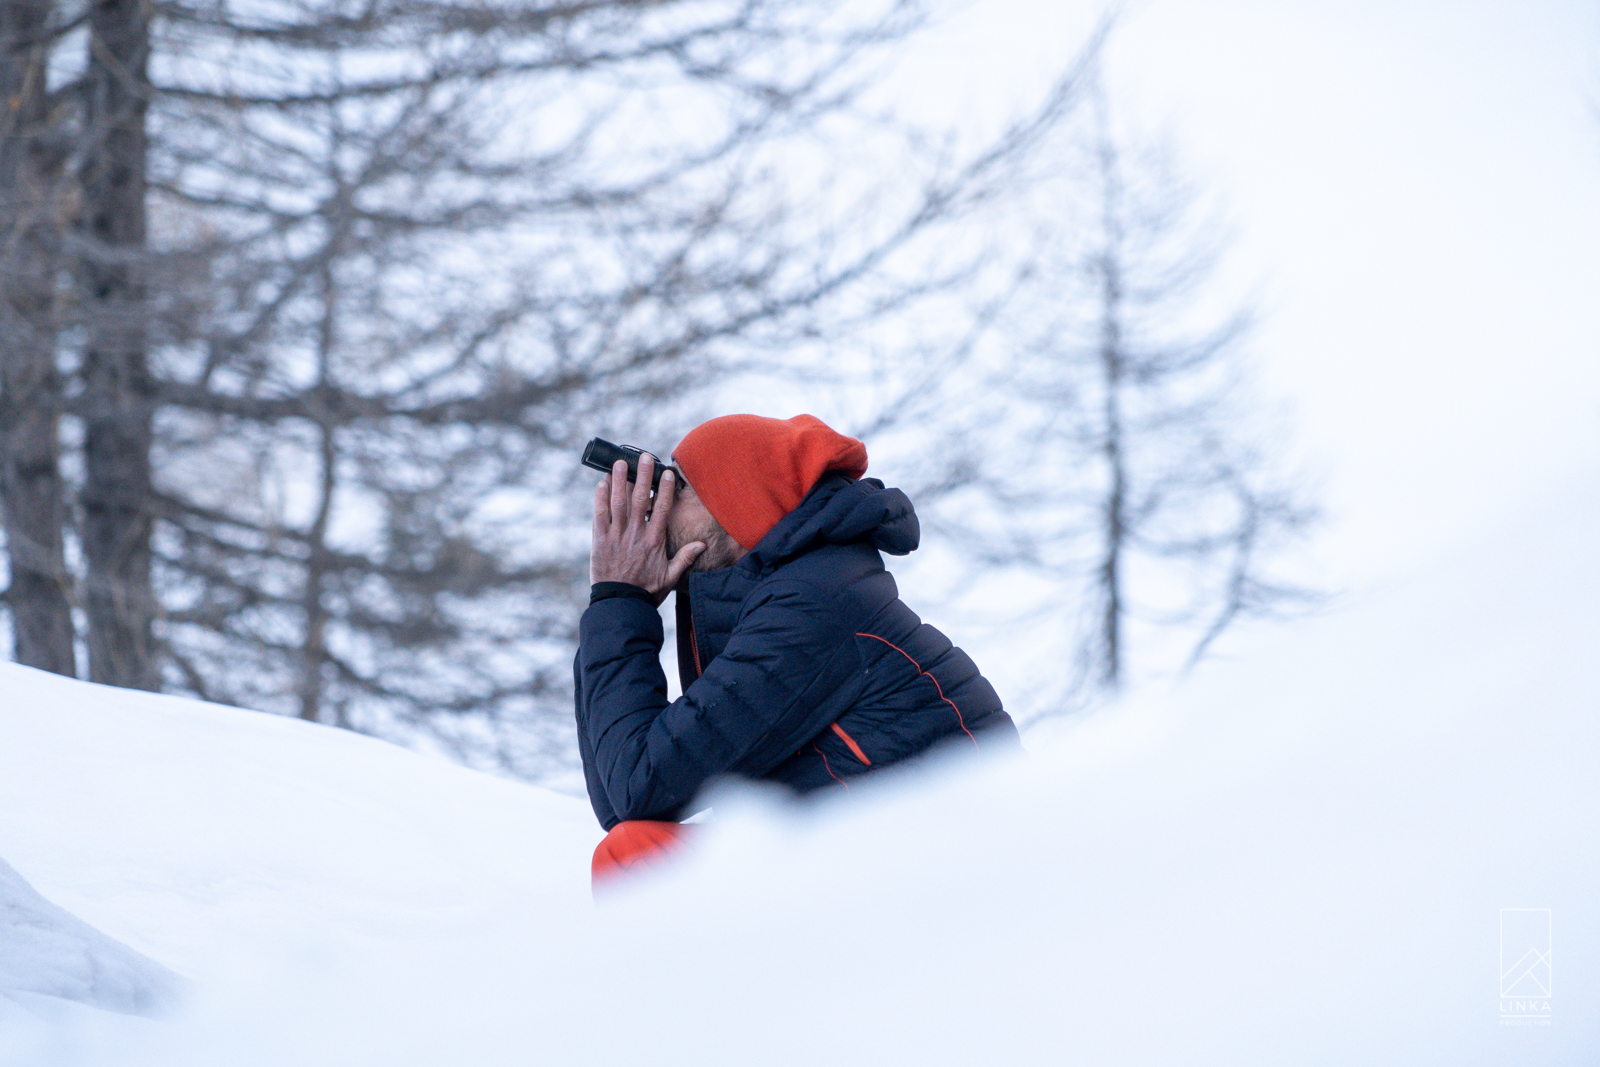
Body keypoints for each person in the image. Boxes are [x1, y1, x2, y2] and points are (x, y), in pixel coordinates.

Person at [576, 414, 1018, 884]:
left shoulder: (815, 605)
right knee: (637, 849)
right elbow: (621, 795)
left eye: (680, 486)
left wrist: (619, 598)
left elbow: (638, 785)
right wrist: (618, 602)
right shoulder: (796, 598)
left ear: (738, 502)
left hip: (958, 877)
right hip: (881, 869)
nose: (655, 507)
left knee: (638, 859)